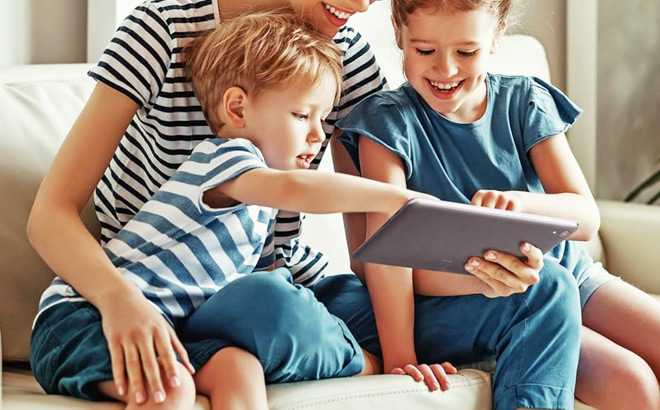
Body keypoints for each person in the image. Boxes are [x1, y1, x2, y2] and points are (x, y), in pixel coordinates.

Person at [27, 0, 386, 407]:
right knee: (270, 305)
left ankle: (349, 349)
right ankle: (356, 359)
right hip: (148, 294)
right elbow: (49, 215)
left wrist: (408, 343)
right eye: (303, 115)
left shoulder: (347, 52)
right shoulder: (165, 30)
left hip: (258, 284)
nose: (360, 6)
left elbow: (374, 238)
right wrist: (120, 302)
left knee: (433, 320)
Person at [331, 0, 660, 409]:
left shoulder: (524, 100)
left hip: (567, 273)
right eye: (424, 51)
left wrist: (519, 205)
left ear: (497, 34)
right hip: (477, 294)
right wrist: (401, 359)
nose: (445, 70)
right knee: (634, 385)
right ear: (399, 33)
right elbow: (384, 258)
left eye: (465, 52)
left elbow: (586, 217)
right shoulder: (385, 125)